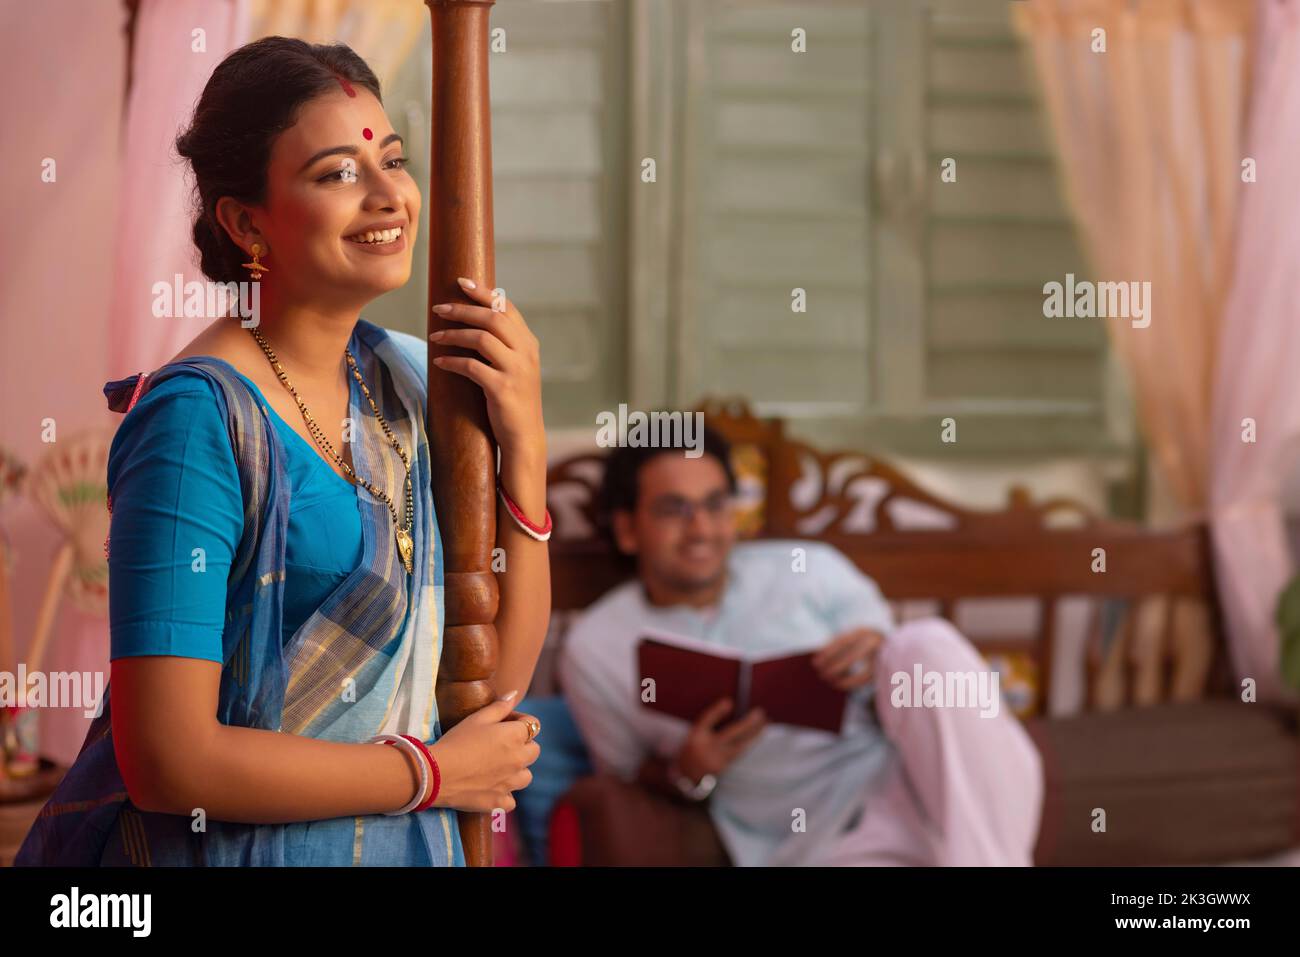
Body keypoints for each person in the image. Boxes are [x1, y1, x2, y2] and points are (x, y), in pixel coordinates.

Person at [17, 37, 550, 866]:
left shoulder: (408, 380)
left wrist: (524, 444)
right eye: (339, 172)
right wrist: (430, 773)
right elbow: (168, 760)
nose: (390, 197)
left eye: (394, 162)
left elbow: (489, 690)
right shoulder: (197, 420)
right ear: (244, 220)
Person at [558, 425, 1043, 866]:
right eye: (674, 510)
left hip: (937, 790)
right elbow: (624, 778)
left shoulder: (810, 568)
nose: (701, 529)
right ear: (626, 528)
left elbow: (916, 694)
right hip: (822, 846)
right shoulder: (597, 647)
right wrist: (687, 771)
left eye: (715, 504)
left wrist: (875, 657)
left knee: (922, 645)